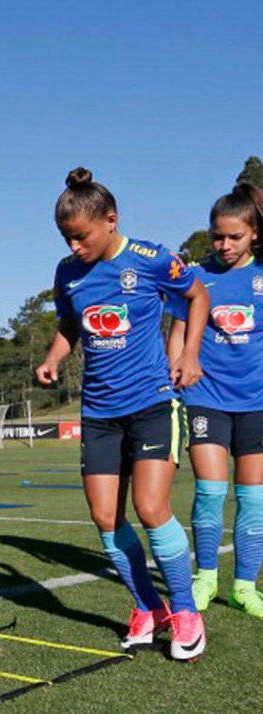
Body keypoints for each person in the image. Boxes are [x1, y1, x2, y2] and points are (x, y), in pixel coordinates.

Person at [36, 167, 210, 660]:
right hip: (99, 413)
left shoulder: (150, 259)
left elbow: (197, 296)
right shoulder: (67, 273)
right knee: (105, 517)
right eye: (66, 238)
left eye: (81, 235)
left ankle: (185, 614)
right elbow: (70, 325)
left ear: (110, 220)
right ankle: (147, 607)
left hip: (153, 403)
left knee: (152, 509)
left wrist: (190, 354)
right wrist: (52, 358)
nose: (74, 247)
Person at [167, 182, 263, 616]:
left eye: (234, 237)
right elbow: (179, 333)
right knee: (209, 490)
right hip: (205, 395)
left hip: (257, 401)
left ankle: (245, 587)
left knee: (253, 498)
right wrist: (175, 376)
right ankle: (205, 579)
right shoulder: (197, 276)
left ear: (254, 234)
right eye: (217, 236)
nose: (224, 245)